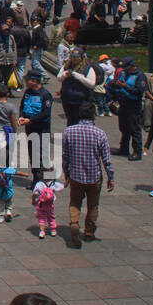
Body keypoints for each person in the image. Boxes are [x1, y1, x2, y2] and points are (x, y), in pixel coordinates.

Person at [61, 102, 114, 247]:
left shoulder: (69, 131)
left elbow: (65, 155)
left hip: (76, 175)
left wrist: (66, 172)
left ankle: (74, 222)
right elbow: (106, 159)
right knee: (93, 206)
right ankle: (89, 232)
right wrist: (111, 177)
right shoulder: (100, 134)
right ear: (93, 116)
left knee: (75, 202)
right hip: (94, 176)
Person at [16, 70, 53, 185]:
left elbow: (45, 113)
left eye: (28, 80)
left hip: (42, 129)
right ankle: (36, 178)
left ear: (35, 81)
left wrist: (31, 120)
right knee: (33, 154)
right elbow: (22, 106)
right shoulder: (28, 92)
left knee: (42, 154)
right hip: (30, 128)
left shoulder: (45, 95)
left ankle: (46, 180)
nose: (25, 82)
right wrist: (22, 116)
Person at [109, 57, 146, 160]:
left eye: (127, 67)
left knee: (134, 128)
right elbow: (117, 84)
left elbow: (139, 91)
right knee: (124, 127)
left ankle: (137, 151)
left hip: (133, 105)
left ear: (133, 66)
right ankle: (124, 148)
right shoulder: (124, 73)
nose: (125, 69)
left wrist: (125, 86)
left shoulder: (140, 76)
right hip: (123, 103)